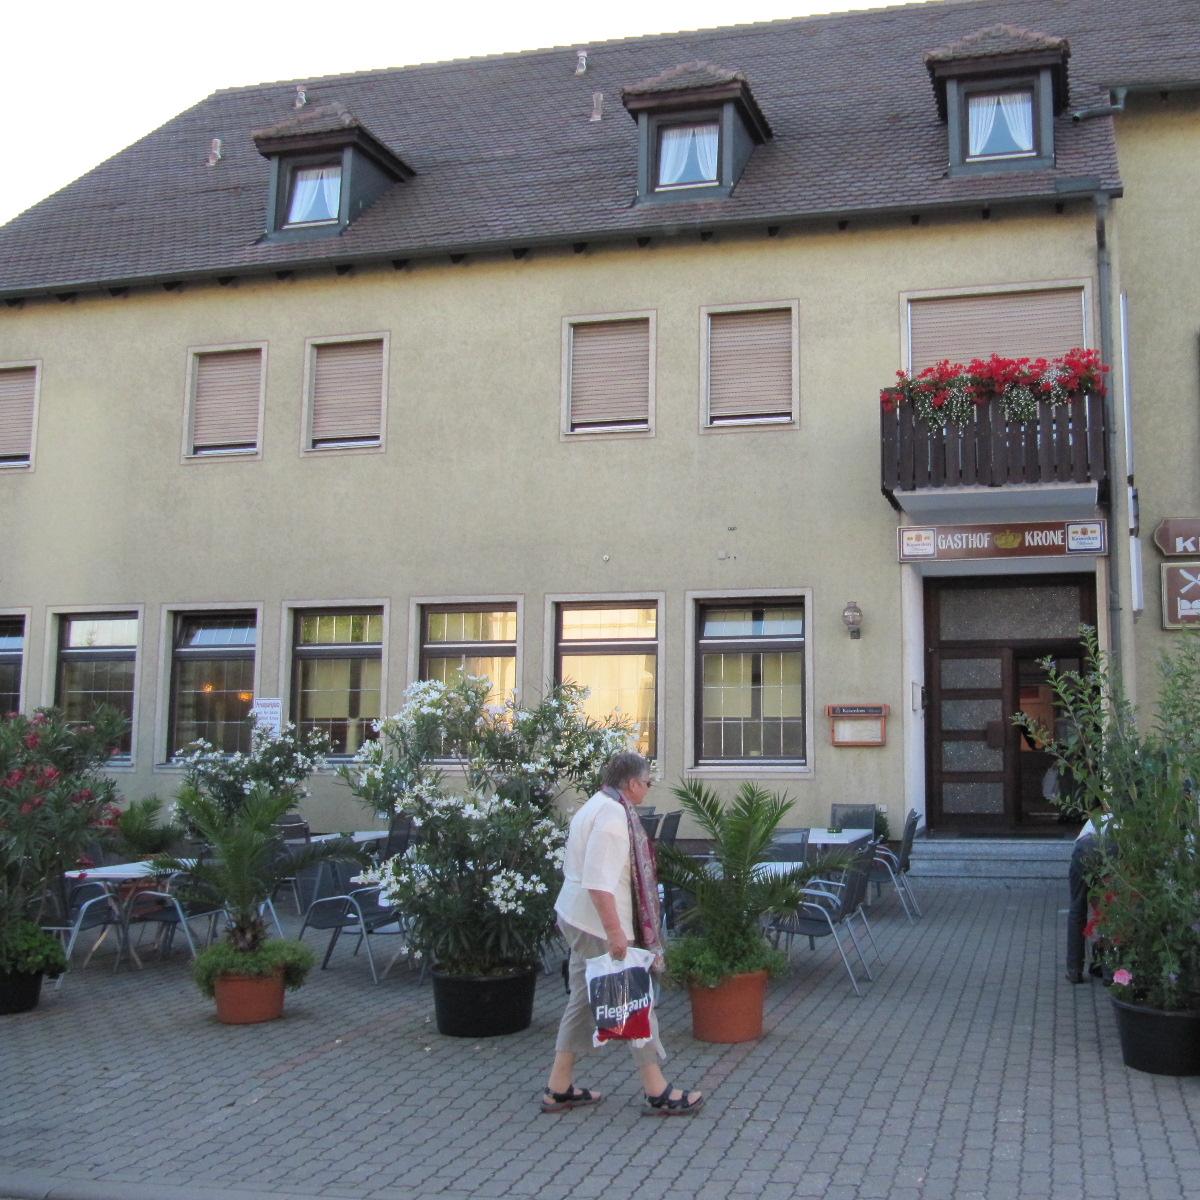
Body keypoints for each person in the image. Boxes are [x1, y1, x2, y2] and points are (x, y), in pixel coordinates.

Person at [543, 750, 704, 1116]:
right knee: (634, 998)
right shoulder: (614, 818)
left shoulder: (596, 804)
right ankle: (656, 1089)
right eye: (647, 783)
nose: (648, 789)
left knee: (583, 1001)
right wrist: (616, 934)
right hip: (597, 922)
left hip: (577, 916)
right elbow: (600, 883)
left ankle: (559, 1087)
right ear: (631, 783)